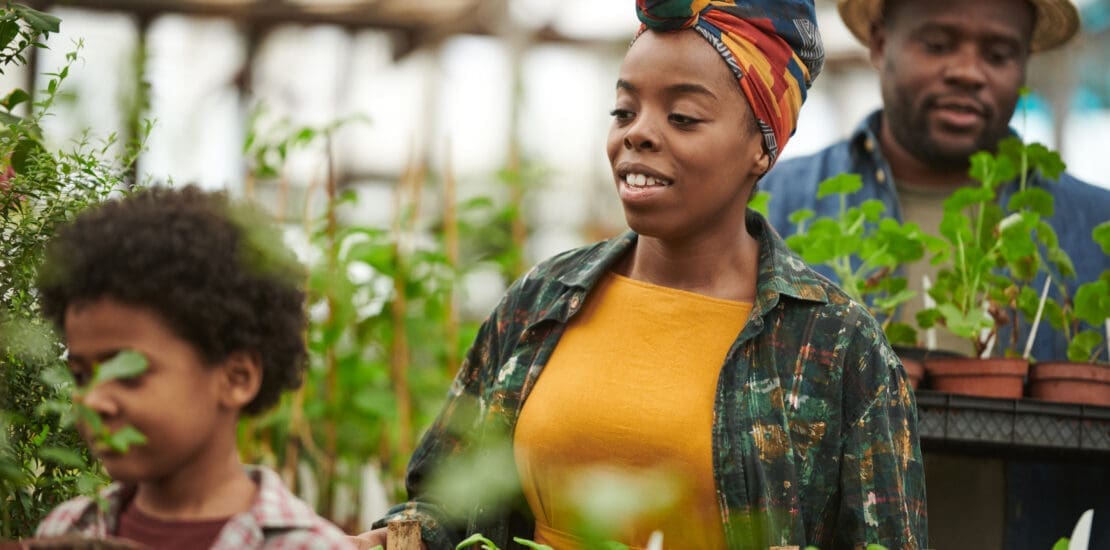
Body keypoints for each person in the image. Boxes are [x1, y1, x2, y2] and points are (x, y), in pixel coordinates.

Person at [354, 1, 926, 549]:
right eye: (624, 111)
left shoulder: (836, 345)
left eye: (683, 117)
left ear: (762, 146)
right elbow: (443, 502)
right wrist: (392, 539)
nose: (638, 134)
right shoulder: (543, 302)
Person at [761, 0, 1110, 360]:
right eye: (938, 45)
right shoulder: (770, 205)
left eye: (999, 54)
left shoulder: (1098, 229)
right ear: (880, 45)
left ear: (1024, 66)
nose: (968, 72)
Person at [33, 186, 353, 549]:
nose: (93, 401)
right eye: (81, 376)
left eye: (126, 373)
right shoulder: (67, 530)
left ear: (236, 378)